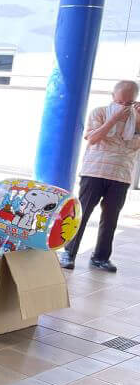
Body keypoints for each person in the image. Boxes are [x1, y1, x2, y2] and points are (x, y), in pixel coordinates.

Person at [59, 80, 140, 273]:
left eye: (128, 103)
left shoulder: (137, 118)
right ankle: (69, 253)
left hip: (121, 174)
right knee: (81, 213)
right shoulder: (100, 112)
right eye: (120, 102)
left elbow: (135, 146)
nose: (123, 107)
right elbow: (93, 138)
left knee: (111, 219)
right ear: (113, 97)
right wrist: (113, 119)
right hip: (94, 171)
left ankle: (101, 258)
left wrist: (136, 122)